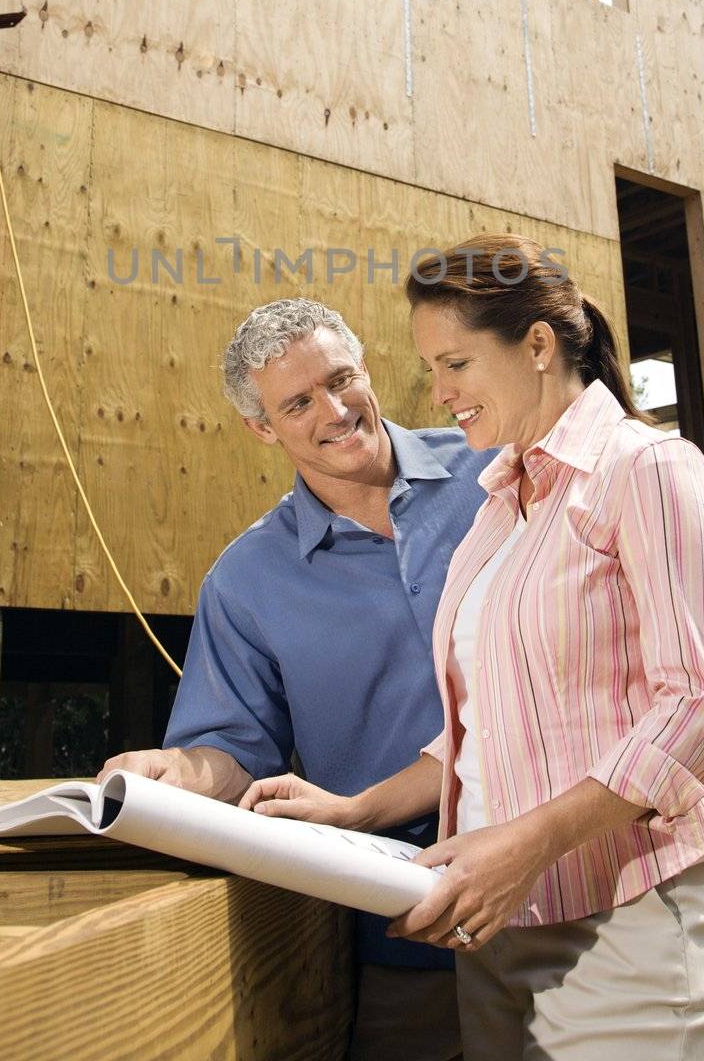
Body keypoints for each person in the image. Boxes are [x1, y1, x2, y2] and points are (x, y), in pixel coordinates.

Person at [242, 237, 704, 1061]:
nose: (437, 395)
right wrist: (354, 810)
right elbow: (485, 729)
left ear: (538, 346)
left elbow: (700, 712)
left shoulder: (645, 470)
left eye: (456, 365)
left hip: (627, 925)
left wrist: (525, 847)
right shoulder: (501, 504)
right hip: (499, 934)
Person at [99, 296, 496, 1061]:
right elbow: (233, 751)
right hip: (413, 941)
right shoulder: (246, 580)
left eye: (342, 379)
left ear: (367, 368)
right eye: (298, 402)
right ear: (262, 427)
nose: (336, 410)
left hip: (575, 900)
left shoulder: (495, 474)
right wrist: (174, 771)